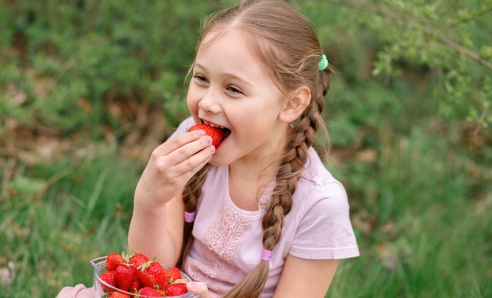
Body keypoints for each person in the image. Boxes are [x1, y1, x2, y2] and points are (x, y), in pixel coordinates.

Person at [57, 0, 359, 297]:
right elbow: (152, 272)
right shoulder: (188, 139)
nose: (207, 103)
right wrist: (149, 200)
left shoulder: (320, 204)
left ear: (291, 104)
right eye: (202, 78)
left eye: (233, 89)